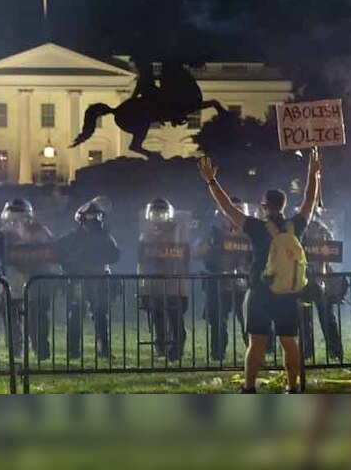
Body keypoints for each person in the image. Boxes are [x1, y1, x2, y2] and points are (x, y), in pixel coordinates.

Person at [199, 148, 321, 394]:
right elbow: (309, 199)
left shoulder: (256, 227)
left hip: (261, 292)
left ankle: (249, 387)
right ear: (284, 206)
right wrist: (313, 174)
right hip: (288, 293)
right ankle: (293, 387)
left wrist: (211, 181)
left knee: (256, 344)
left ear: (264, 207)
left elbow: (227, 208)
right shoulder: (296, 225)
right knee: (289, 342)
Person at [0, 198, 56, 360]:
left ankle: (40, 349)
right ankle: (15, 349)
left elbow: (51, 250)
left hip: (36, 278)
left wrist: (27, 238)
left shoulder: (40, 231)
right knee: (8, 312)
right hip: (11, 280)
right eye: (12, 216)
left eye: (20, 216)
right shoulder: (3, 234)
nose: (16, 221)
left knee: (37, 315)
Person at [54, 197, 121, 359]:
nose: (93, 221)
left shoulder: (105, 237)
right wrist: (71, 264)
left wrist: (95, 256)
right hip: (78, 281)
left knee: (100, 315)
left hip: (99, 280)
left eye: (96, 217)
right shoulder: (73, 237)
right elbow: (57, 251)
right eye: (90, 217)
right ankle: (74, 351)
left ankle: (102, 349)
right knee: (76, 314)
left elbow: (115, 255)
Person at [192, 199, 250, 362]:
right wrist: (209, 245)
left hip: (242, 284)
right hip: (217, 283)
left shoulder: (249, 234)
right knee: (217, 320)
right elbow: (195, 254)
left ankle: (255, 352)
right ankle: (218, 353)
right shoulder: (213, 232)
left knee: (248, 320)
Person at [137, 197, 191, 362]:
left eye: (162, 214)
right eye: (155, 214)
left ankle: (176, 349)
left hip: (174, 283)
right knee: (158, 316)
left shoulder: (178, 234)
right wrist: (143, 284)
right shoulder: (145, 236)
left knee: (175, 318)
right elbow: (141, 261)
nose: (158, 217)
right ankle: (161, 346)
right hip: (154, 283)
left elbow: (185, 260)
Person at [300, 209, 344, 362]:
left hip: (321, 277)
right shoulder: (298, 229)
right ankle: (306, 352)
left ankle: (335, 351)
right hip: (303, 278)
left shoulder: (323, 230)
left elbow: (332, 252)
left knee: (327, 317)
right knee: (304, 318)